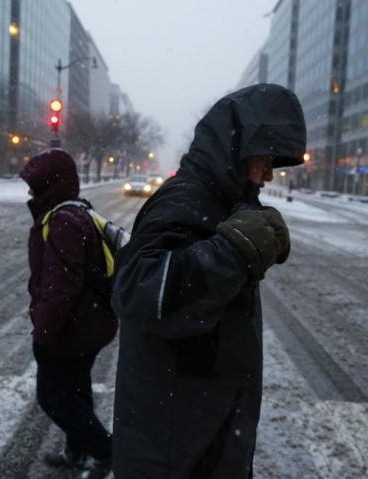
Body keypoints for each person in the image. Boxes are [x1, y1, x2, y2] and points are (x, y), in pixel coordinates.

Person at [110, 84, 307, 478]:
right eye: (266, 158)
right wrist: (233, 251)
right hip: (177, 449)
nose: (269, 173)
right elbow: (137, 291)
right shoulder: (187, 199)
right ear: (238, 151)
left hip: (202, 435)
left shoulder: (214, 200)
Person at [20, 148, 118, 479]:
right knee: (76, 390)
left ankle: (105, 451)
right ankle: (78, 452)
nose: (30, 192)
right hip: (89, 324)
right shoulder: (76, 213)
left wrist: (44, 335)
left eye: (35, 185)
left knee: (52, 396)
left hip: (74, 329)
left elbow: (59, 288)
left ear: (50, 185)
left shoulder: (62, 221)